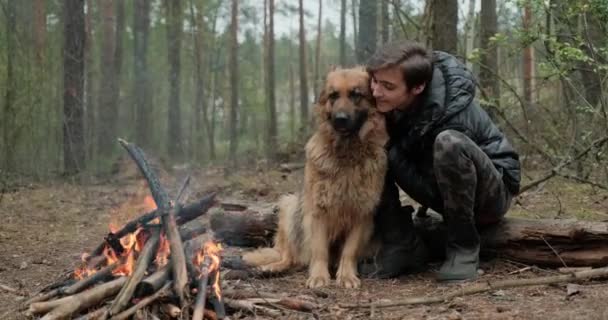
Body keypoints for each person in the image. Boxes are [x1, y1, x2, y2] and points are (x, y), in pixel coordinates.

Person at [360, 40, 521, 282]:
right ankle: (402, 244)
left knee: (449, 143)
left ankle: (463, 248)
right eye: (374, 81)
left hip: (490, 195)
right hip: (439, 190)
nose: (376, 92)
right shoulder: (391, 104)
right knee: (373, 143)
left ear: (417, 87)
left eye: (387, 86)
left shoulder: (450, 114)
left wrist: (389, 147)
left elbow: (435, 194)